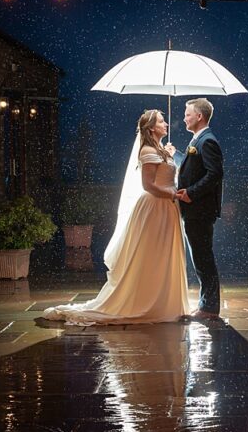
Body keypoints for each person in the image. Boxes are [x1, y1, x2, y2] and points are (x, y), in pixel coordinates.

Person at [40, 109, 191, 325]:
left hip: (168, 208)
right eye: (161, 121)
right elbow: (148, 185)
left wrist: (169, 153)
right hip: (156, 208)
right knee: (153, 254)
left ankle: (166, 300)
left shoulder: (160, 150)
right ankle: (148, 301)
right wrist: (173, 194)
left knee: (165, 254)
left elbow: (167, 173)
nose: (166, 123)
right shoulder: (147, 150)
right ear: (151, 128)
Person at [176, 97, 224, 320]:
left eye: (187, 114)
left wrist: (190, 193)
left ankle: (209, 308)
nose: (184, 118)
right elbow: (191, 168)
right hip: (195, 211)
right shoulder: (198, 140)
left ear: (199, 116)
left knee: (203, 258)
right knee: (200, 257)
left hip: (200, 211)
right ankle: (207, 304)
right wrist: (175, 154)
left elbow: (214, 174)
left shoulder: (207, 141)